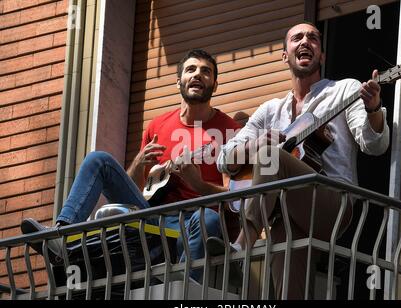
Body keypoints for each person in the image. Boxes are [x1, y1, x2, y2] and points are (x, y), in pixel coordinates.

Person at [21, 49, 241, 282]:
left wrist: (198, 183)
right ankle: (62, 235)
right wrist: (138, 163)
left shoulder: (231, 131)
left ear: (215, 85)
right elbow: (136, 194)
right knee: (98, 160)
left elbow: (235, 195)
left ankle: (186, 290)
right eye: (191, 69)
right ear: (179, 82)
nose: (197, 75)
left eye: (206, 71)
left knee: (208, 218)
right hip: (156, 218)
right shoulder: (157, 126)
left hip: (198, 219)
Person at [211, 22, 390, 299]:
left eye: (313, 38)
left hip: (332, 202)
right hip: (287, 211)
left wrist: (374, 108)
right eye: (297, 38)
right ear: (285, 54)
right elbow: (224, 160)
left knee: (272, 155)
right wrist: (256, 144)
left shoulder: (345, 90)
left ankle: (242, 245)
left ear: (322, 55)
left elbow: (374, 145)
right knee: (289, 286)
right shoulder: (269, 111)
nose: (306, 41)